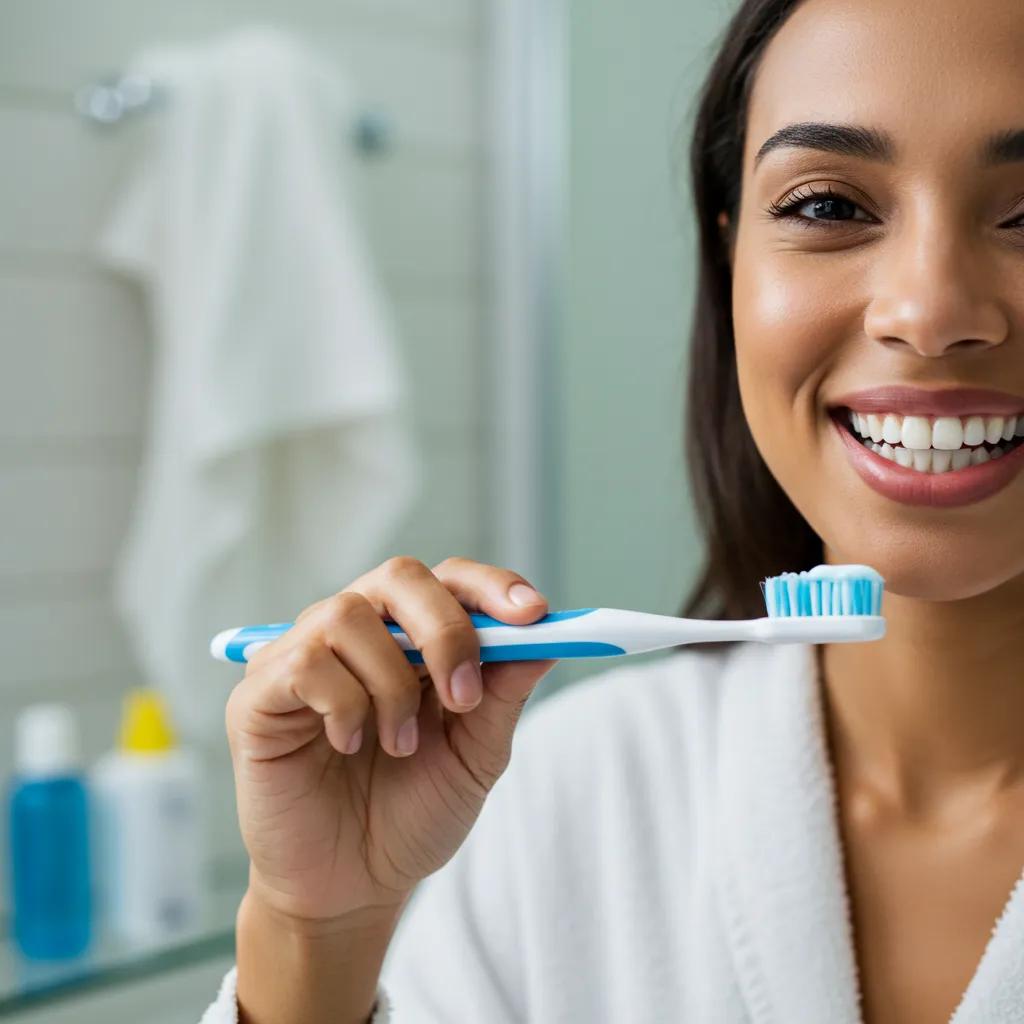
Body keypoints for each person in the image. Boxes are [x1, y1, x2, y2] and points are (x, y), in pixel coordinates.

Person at [201, 0, 1024, 1020]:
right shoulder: (560, 795)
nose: (930, 310)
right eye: (825, 207)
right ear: (730, 266)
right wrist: (311, 933)